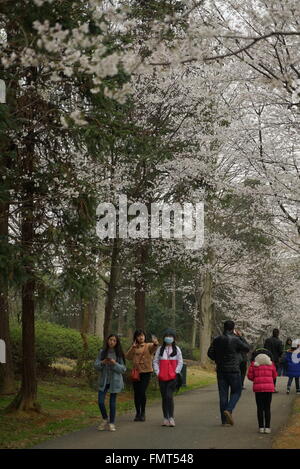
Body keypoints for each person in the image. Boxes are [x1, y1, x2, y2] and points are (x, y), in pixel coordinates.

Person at [207, 320, 250, 426]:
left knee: (223, 395)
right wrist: (240, 337)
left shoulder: (217, 339)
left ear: (224, 327)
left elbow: (210, 353)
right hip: (233, 370)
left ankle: (224, 420)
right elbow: (247, 348)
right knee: (237, 391)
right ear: (233, 329)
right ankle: (229, 410)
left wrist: (217, 359)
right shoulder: (235, 339)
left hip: (221, 370)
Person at [94, 334, 126, 431]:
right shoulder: (102, 352)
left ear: (117, 343)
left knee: (112, 403)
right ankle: (105, 418)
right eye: (110, 339)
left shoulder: (119, 354)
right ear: (107, 340)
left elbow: (123, 369)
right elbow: (96, 365)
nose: (112, 342)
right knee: (100, 401)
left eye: (114, 340)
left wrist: (114, 363)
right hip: (103, 381)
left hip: (115, 381)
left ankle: (112, 423)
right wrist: (102, 362)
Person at [125, 329, 159, 421]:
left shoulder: (148, 345)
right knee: (136, 393)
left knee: (142, 392)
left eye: (142, 335)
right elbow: (128, 357)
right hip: (136, 372)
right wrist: (133, 347)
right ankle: (137, 413)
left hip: (146, 372)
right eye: (139, 335)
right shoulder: (134, 346)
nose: (141, 337)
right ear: (136, 337)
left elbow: (154, 348)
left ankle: (143, 412)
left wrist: (155, 343)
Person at [153, 328, 183, 427]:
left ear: (174, 338)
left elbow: (180, 362)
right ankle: (165, 417)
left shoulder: (177, 349)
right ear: (164, 338)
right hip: (162, 377)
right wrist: (158, 372)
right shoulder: (160, 349)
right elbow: (155, 361)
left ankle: (171, 417)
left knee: (169, 396)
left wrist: (176, 372)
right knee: (164, 397)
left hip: (173, 377)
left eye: (171, 336)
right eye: (167, 336)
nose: (169, 338)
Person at [247, 352, 277, 434]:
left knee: (260, 408)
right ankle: (267, 427)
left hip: (258, 389)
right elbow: (274, 376)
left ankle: (261, 427)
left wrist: (256, 379)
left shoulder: (254, 365)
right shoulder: (271, 365)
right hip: (269, 389)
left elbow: (249, 376)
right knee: (267, 408)